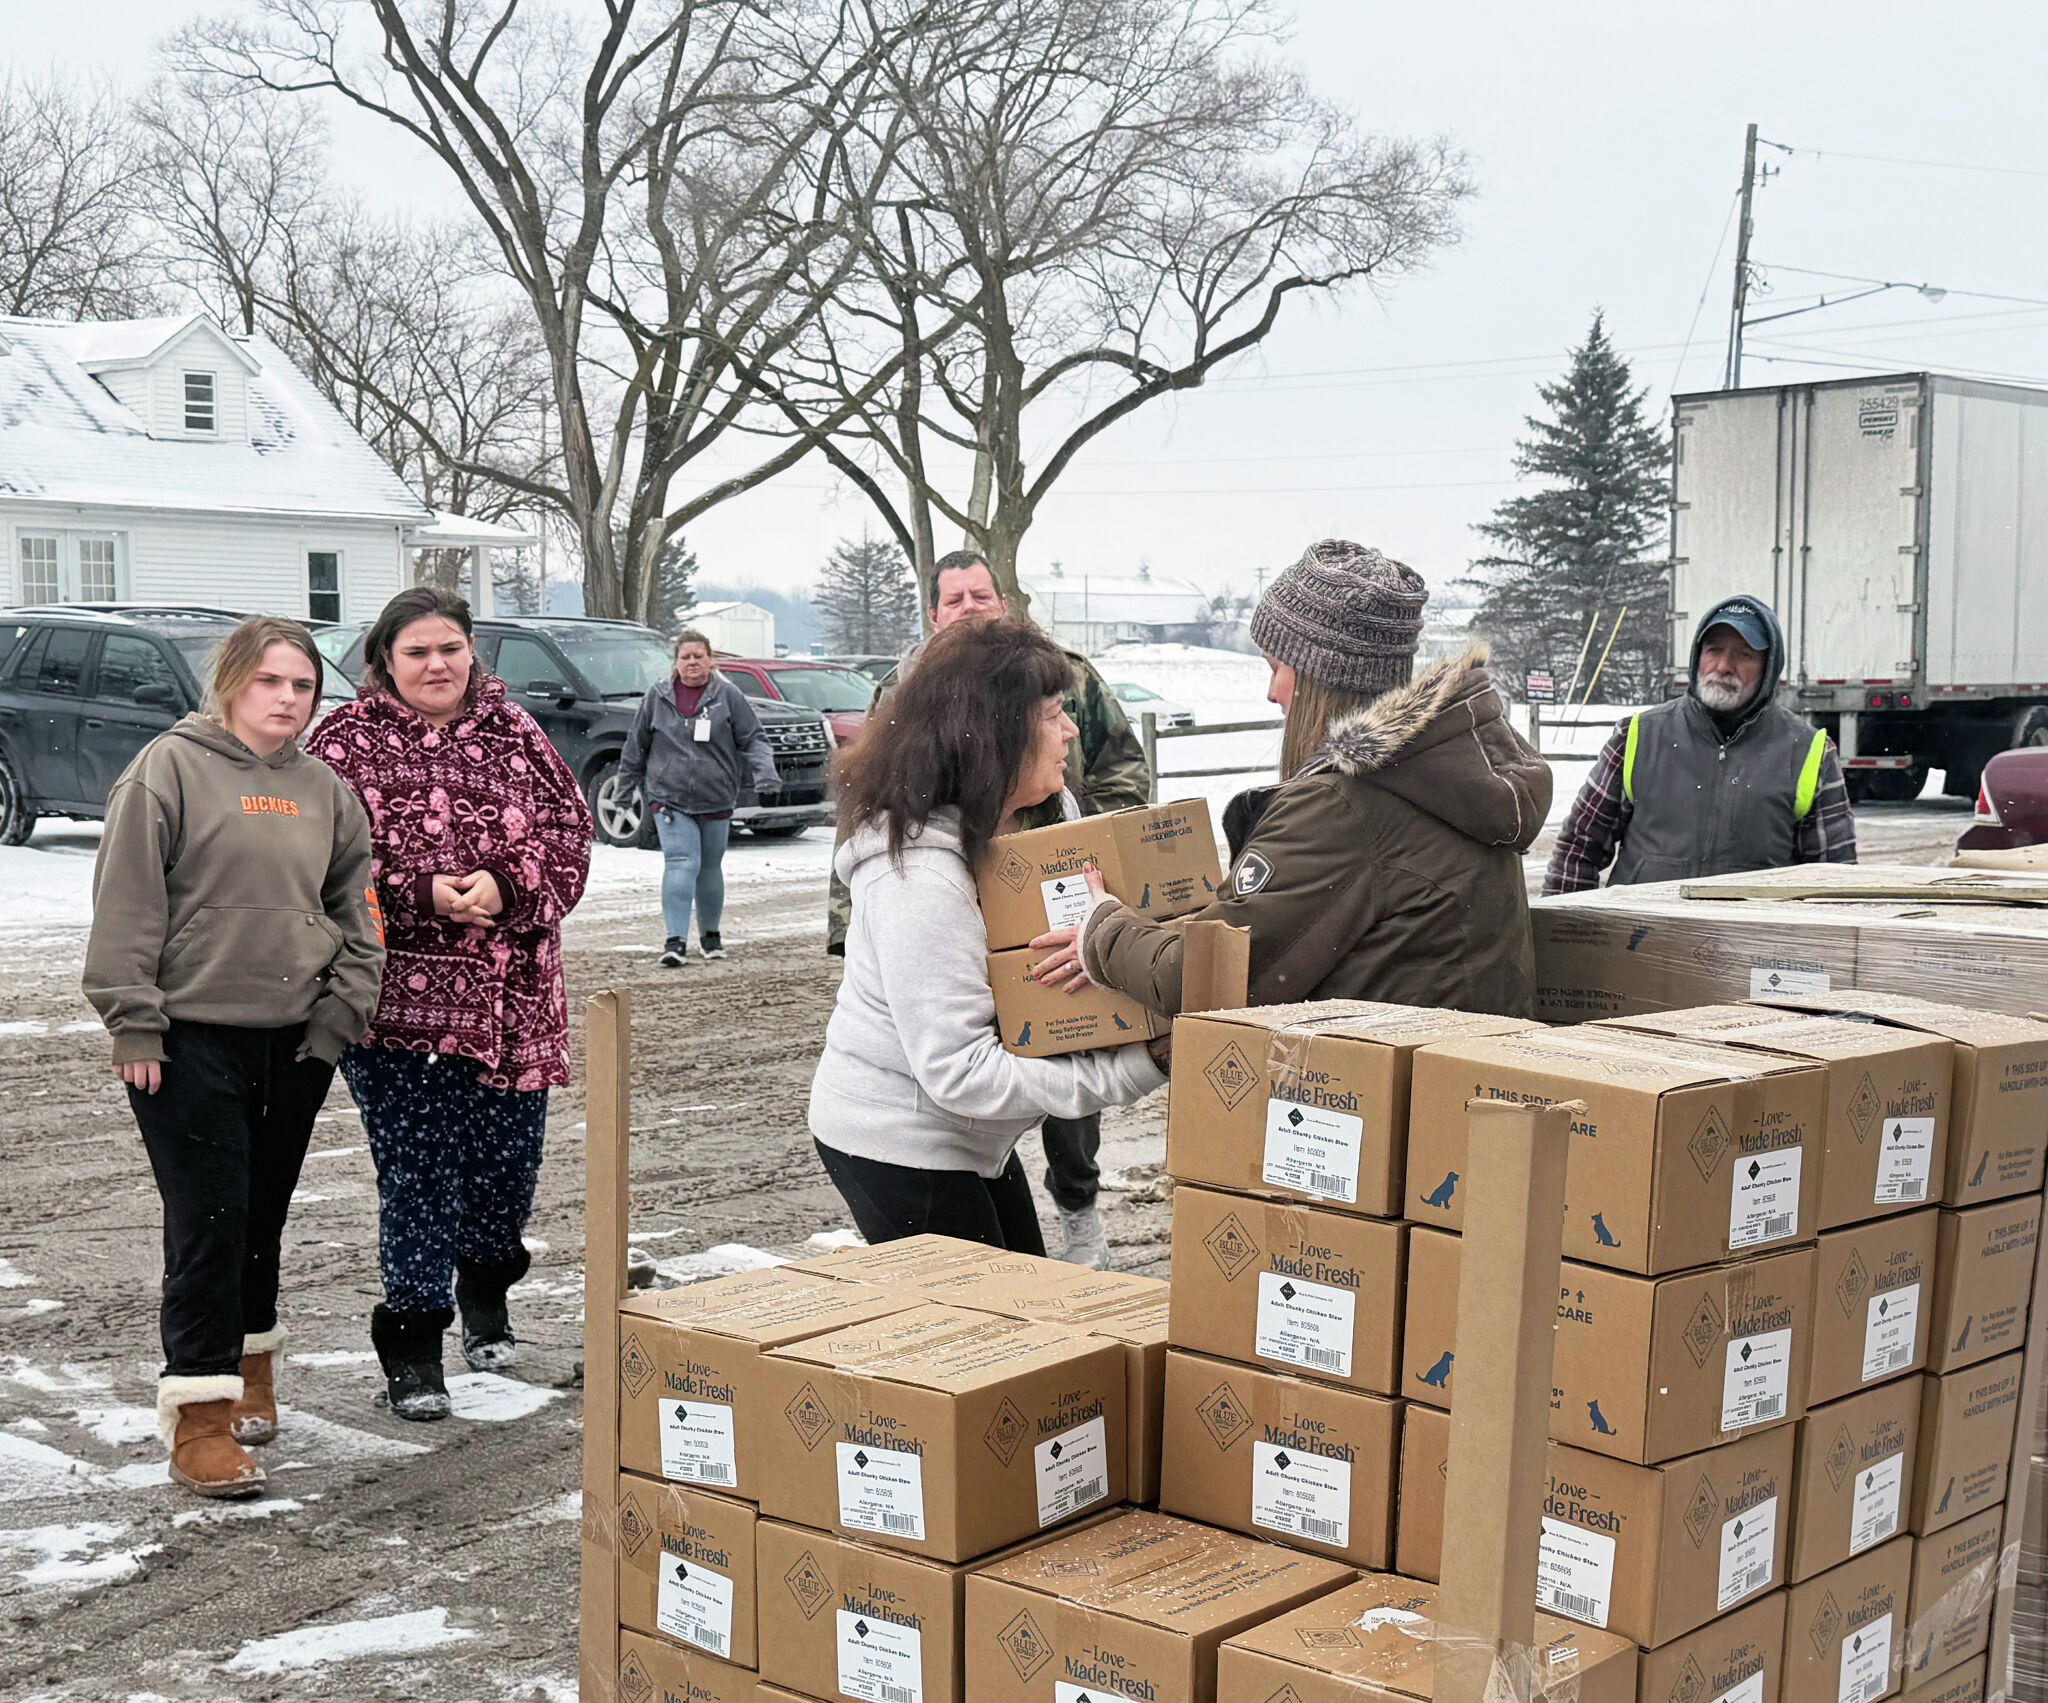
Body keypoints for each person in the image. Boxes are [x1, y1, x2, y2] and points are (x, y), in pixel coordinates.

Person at [83, 617, 385, 1498]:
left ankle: (252, 1371)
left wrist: (339, 1016)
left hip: (294, 1040)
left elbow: (356, 910)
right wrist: (134, 1021)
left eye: (303, 685)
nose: (288, 699)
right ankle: (200, 1415)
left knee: (260, 1215)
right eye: (269, 681)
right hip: (187, 1038)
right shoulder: (167, 770)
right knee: (209, 1221)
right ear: (230, 681)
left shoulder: (326, 791)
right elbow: (127, 902)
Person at [1037, 540, 1552, 1018]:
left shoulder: (1343, 807)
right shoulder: (1443, 775)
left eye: (1276, 668)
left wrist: (1101, 928)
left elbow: (1207, 976)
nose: (1273, 693)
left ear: (1319, 676)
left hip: (1374, 1080)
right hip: (1445, 1068)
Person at [824, 548, 1148, 1268]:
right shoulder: (917, 879)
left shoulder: (1032, 824)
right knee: (998, 1327)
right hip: (896, 1141)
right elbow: (961, 1072)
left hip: (970, 1137)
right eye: (1055, 716)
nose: (1072, 732)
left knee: (1029, 1293)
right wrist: (1139, 1066)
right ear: (999, 736)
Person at [314, 587, 592, 1420]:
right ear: (384, 661)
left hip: (515, 1005)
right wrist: (414, 892)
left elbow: (570, 833)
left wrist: (507, 884)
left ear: (473, 653)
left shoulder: (516, 732)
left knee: (506, 1172)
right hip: (397, 1011)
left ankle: (487, 1287)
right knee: (419, 1176)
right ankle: (412, 1344)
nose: (436, 664)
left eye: (450, 648)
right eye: (416, 651)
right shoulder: (343, 743)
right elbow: (313, 860)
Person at [1544, 595, 1856, 893]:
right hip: (1642, 929)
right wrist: (1560, 926)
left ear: (1769, 668)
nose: (1723, 666)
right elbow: (1579, 848)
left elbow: (1834, 881)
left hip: (1751, 931)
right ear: (1697, 658)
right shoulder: (1638, 736)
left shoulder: (1808, 751)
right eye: (1713, 650)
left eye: (1744, 654)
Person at [617, 628, 778, 966]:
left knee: (709, 867)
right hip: (669, 796)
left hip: (716, 796)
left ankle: (710, 936)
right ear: (675, 662)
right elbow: (636, 745)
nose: (692, 662)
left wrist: (766, 774)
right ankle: (674, 941)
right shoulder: (657, 696)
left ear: (710, 659)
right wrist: (624, 787)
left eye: (698, 656)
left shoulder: (728, 695)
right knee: (681, 861)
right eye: (685, 657)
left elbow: (753, 738)